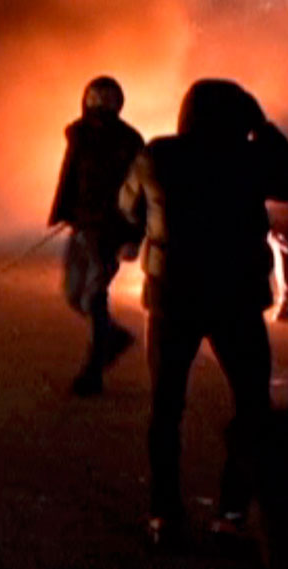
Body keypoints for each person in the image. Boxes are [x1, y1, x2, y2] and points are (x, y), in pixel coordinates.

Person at [119, 79, 288, 546]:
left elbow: (127, 205)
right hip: (236, 296)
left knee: (167, 406)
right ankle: (232, 510)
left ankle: (164, 513)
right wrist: (264, 128)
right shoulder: (249, 158)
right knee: (252, 406)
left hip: (173, 296)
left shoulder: (157, 154)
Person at [49, 75, 145, 396]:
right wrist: (66, 212)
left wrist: (133, 236)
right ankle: (114, 339)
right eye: (96, 96)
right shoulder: (78, 135)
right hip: (81, 227)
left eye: (108, 97)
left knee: (94, 296)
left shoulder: (130, 141)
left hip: (109, 232)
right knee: (74, 294)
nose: (101, 103)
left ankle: (93, 372)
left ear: (118, 102)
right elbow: (71, 177)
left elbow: (141, 193)